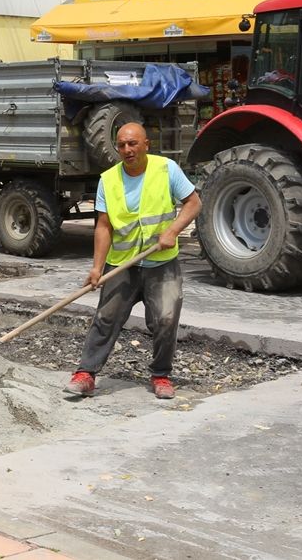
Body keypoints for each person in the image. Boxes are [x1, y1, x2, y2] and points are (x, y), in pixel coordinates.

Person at [66, 122, 201, 400]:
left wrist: (173, 230)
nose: (127, 150)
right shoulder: (109, 179)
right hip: (122, 264)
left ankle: (161, 375)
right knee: (105, 317)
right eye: (122, 145)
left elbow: (193, 203)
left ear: (146, 144)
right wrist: (96, 267)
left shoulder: (166, 170)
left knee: (166, 318)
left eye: (133, 143)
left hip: (161, 263)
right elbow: (103, 226)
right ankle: (86, 374)